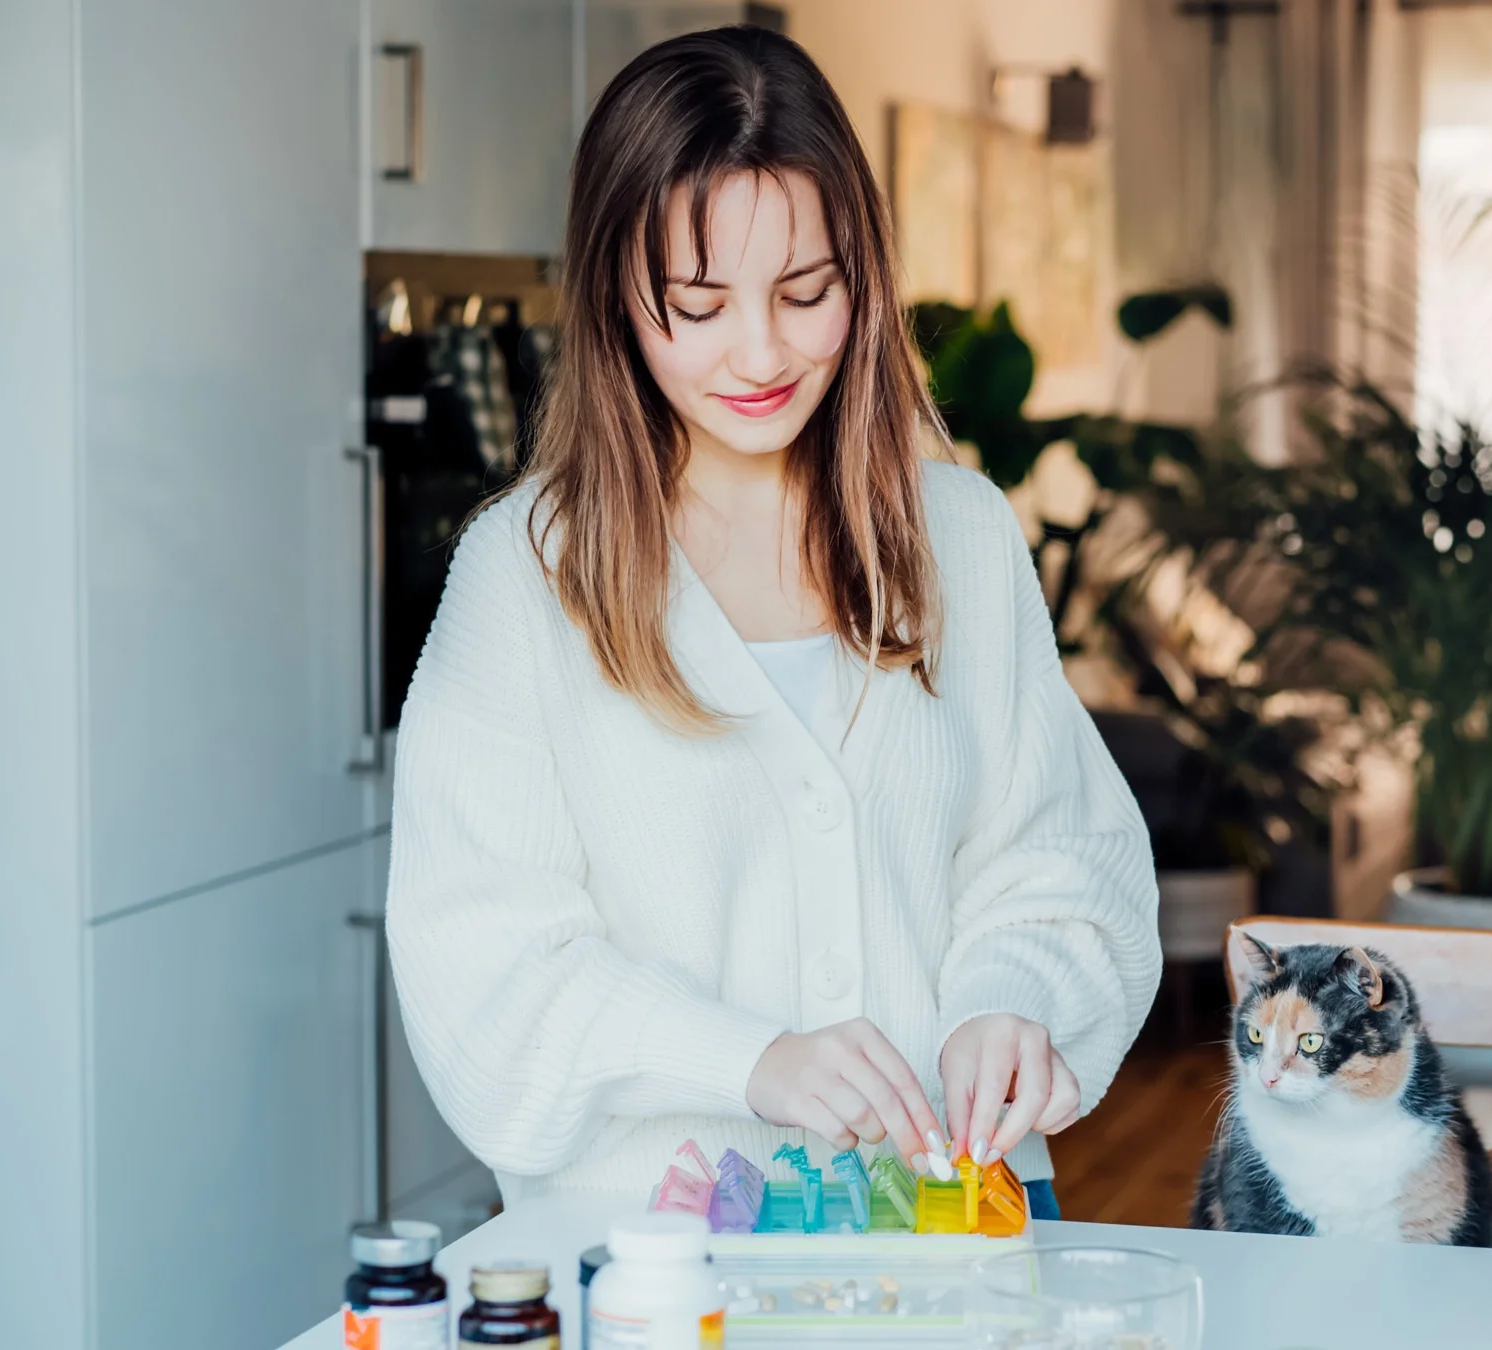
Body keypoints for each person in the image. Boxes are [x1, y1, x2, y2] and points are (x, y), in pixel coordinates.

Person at [385, 25, 1160, 1221]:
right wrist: (748, 1061)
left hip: (954, 1234)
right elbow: (486, 972)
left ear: (864, 274)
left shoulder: (959, 535)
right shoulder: (526, 579)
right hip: (650, 1257)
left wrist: (1013, 1000)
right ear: (614, 307)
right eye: (697, 306)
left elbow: (1054, 857)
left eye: (807, 293)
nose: (762, 352)